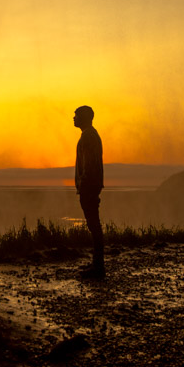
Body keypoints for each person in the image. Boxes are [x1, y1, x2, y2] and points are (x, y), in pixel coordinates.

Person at [73, 105, 105, 278]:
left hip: (89, 187)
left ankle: (98, 268)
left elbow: (89, 164)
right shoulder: (90, 134)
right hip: (91, 186)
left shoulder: (88, 136)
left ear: (84, 117)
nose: (73, 118)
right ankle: (97, 264)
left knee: (94, 226)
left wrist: (83, 184)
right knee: (94, 225)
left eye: (76, 115)